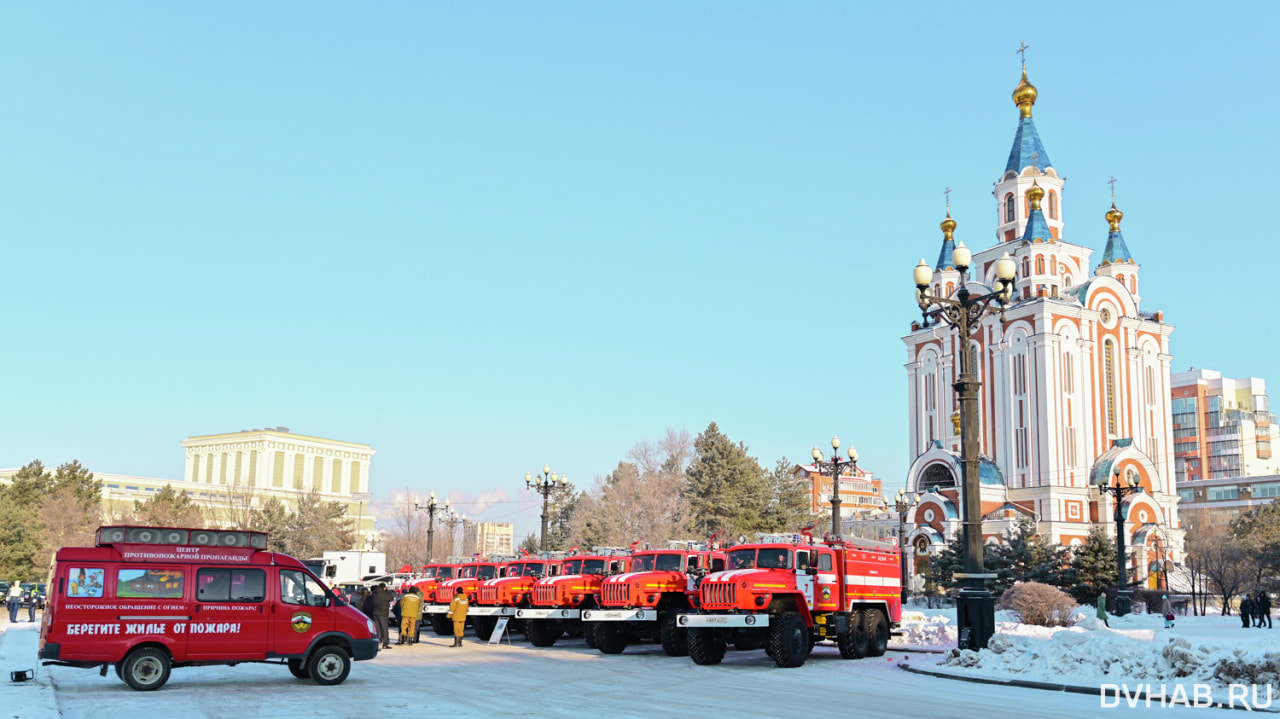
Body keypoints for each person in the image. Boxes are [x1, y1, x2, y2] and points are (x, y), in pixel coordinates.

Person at [371, 583, 395, 649]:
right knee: (384, 629)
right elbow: (391, 598)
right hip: (383, 613)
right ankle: (385, 643)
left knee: (377, 629)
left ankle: (377, 643)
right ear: (384, 587)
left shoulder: (375, 593)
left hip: (375, 613)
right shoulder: (384, 594)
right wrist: (388, 591)